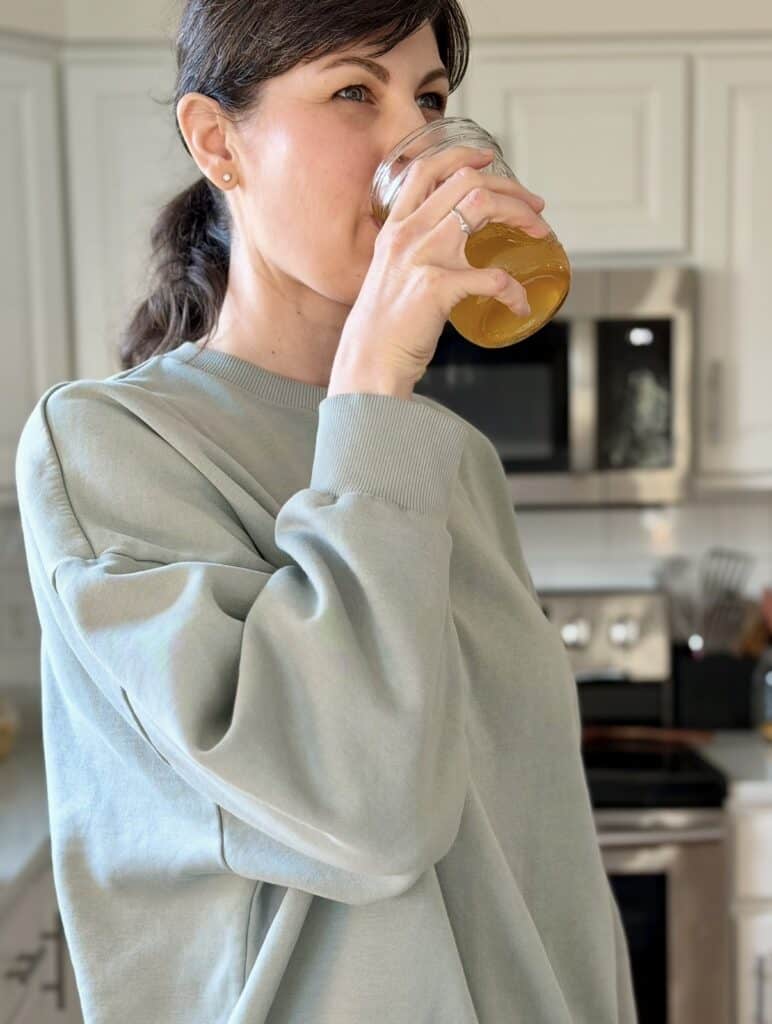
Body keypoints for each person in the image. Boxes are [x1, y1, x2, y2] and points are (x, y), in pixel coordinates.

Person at [14, 1, 638, 1021]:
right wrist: (374, 381)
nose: (414, 141)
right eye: (354, 90)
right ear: (219, 141)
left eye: (429, 97)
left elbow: (543, 854)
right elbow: (366, 814)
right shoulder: (107, 447)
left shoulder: (455, 463)